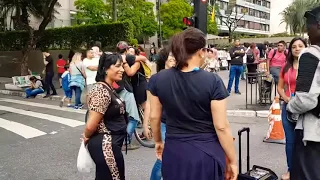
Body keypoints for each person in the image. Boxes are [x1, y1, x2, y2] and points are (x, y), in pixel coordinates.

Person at [149, 28, 237, 180]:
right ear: (201, 51)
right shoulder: (213, 81)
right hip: (206, 153)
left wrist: (158, 141)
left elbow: (154, 117)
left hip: (174, 150)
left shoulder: (158, 79)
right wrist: (233, 160)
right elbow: (221, 126)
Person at [287, 7, 320, 180]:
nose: (307, 30)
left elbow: (305, 99)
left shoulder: (310, 54)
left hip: (313, 135)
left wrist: (290, 107)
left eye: (310, 26)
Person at [83, 53, 126, 180]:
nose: (122, 69)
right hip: (105, 144)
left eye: (122, 66)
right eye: (118, 66)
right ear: (106, 69)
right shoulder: (100, 90)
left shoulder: (108, 88)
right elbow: (91, 125)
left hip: (111, 144)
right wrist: (86, 136)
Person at [143, 47, 176, 180]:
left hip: (178, 124)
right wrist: (146, 125)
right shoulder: (155, 79)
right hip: (164, 123)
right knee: (163, 157)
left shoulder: (180, 75)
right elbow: (149, 104)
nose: (174, 58)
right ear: (164, 59)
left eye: (175, 55)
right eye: (171, 56)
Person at [277, 37, 307, 180]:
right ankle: (291, 170)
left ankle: (305, 170)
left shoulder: (311, 66)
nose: (297, 48)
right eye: (294, 46)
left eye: (300, 46)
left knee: (305, 142)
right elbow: (280, 87)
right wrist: (286, 98)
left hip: (306, 110)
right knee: (290, 141)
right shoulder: (286, 66)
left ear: (305, 47)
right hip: (288, 108)